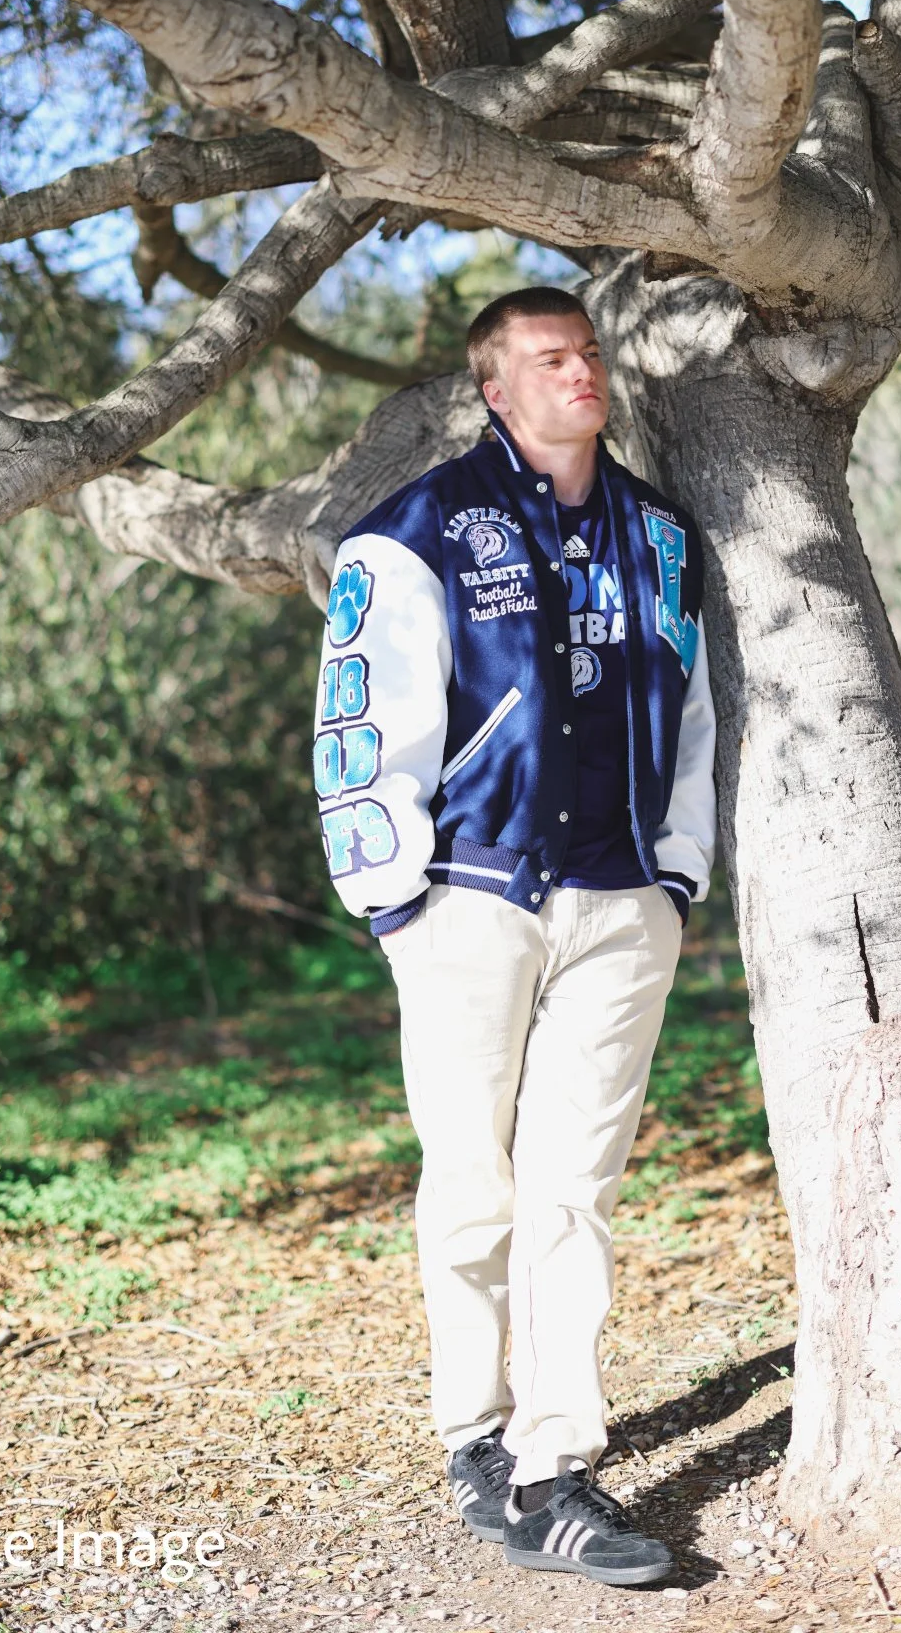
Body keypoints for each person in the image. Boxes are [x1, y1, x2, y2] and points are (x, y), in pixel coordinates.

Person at [312, 286, 717, 1589]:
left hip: (619, 902)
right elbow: (363, 723)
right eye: (550, 358)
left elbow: (696, 711)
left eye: (587, 352)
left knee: (572, 1193)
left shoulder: (659, 533)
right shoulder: (417, 530)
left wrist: (678, 876)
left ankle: (557, 1464)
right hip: (467, 900)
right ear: (496, 386)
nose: (580, 371)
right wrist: (396, 904)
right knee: (473, 1189)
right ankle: (472, 1436)